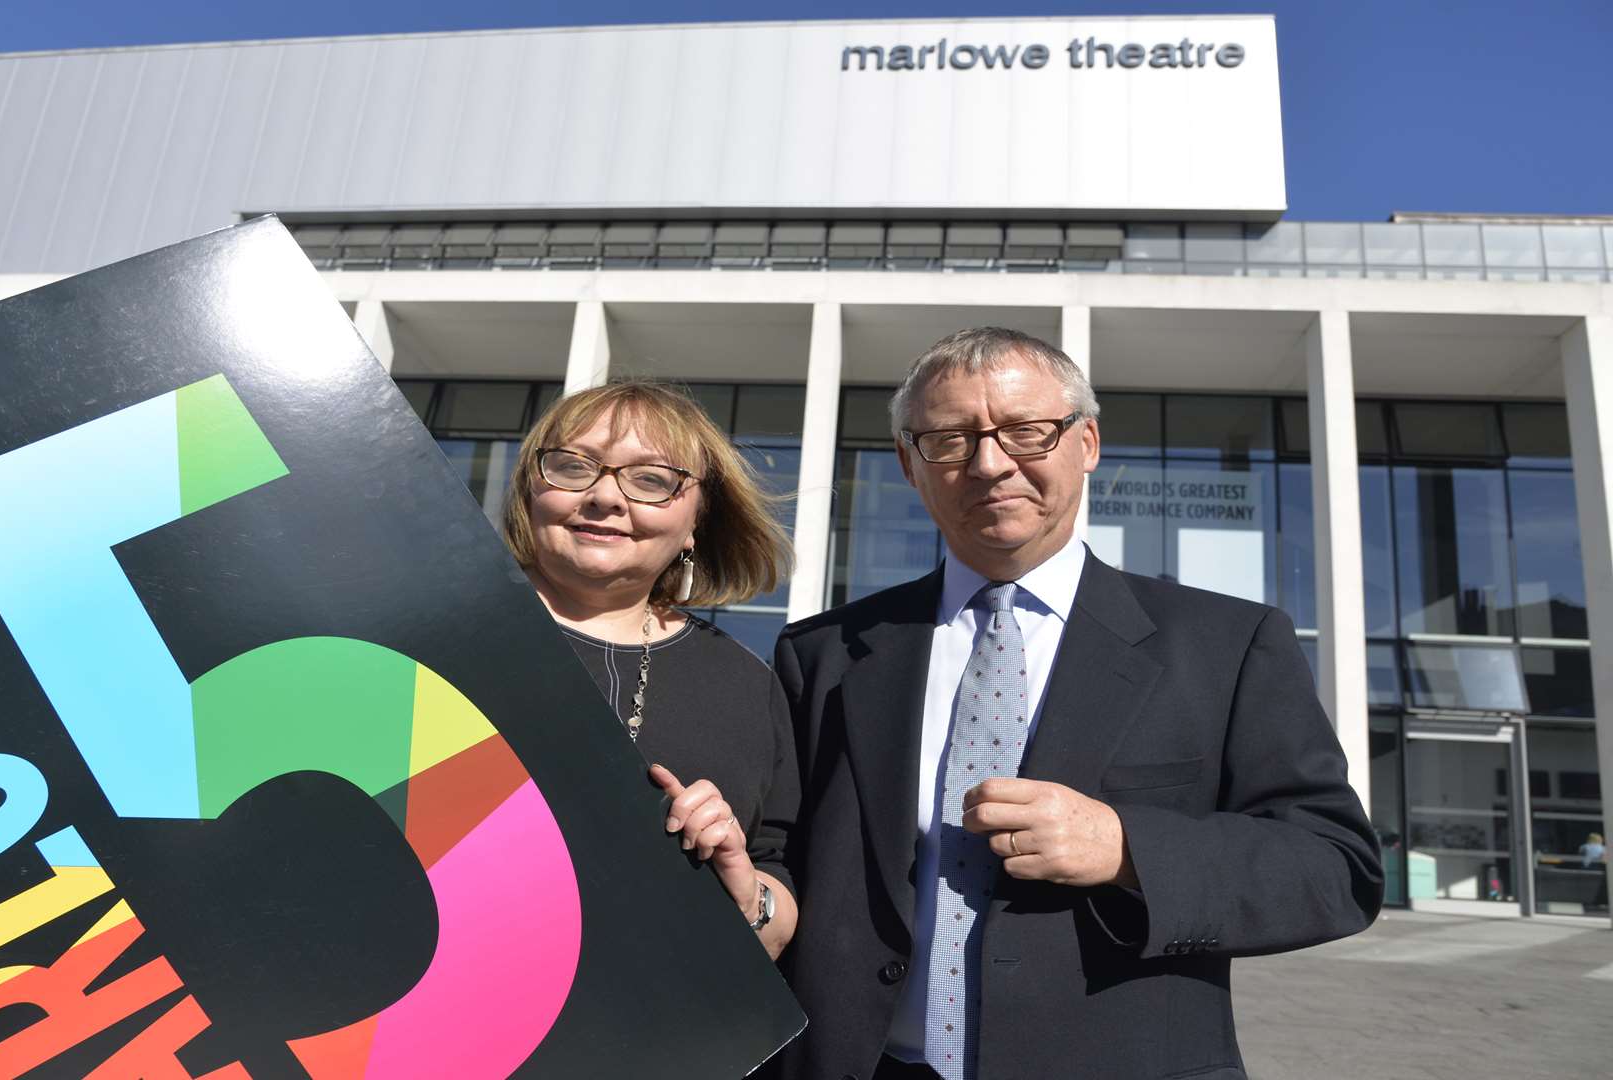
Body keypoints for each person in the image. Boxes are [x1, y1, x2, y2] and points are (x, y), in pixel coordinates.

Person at [771, 328, 1382, 1079]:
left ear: (1086, 442)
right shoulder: (824, 654)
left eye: (1025, 432)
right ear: (909, 463)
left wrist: (1128, 849)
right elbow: (787, 860)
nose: (990, 464)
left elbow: (1334, 869)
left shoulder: (1227, 645)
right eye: (950, 440)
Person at [500, 379, 800, 957]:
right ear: (530, 490)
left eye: (651, 480)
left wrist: (748, 899)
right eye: (573, 466)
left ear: (695, 524)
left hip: (650, 1029)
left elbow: (778, 887)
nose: (606, 497)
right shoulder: (433, 631)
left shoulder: (747, 686)